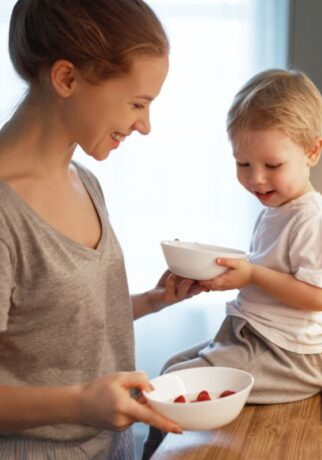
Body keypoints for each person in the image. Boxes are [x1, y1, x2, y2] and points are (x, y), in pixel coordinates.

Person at [0, 1, 207, 458]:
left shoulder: (86, 182)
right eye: (137, 103)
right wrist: (79, 403)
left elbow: (54, 331)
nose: (145, 125)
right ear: (67, 79)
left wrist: (153, 301)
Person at [143, 68, 322, 458]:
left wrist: (251, 274)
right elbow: (272, 274)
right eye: (243, 164)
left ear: (313, 152)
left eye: (272, 166)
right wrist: (236, 274)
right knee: (171, 367)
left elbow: (321, 296)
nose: (256, 179)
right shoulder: (278, 209)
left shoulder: (312, 218)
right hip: (257, 337)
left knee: (175, 384)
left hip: (292, 357)